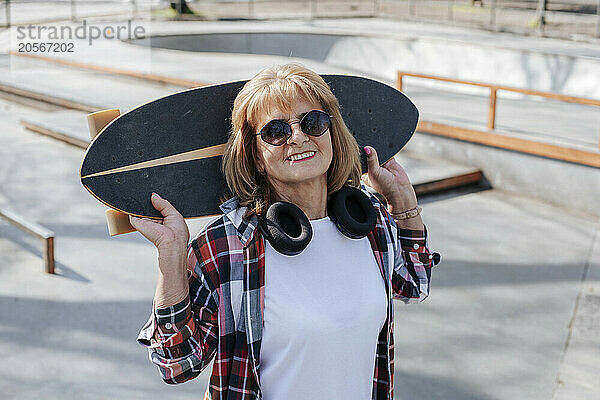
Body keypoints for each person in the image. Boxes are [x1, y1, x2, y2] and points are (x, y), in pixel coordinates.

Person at [134, 63, 440, 400]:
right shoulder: (228, 246)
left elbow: (413, 284)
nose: (298, 137)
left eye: (313, 122)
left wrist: (403, 205)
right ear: (256, 156)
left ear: (332, 134)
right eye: (276, 131)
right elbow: (177, 363)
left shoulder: (369, 221)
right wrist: (172, 255)